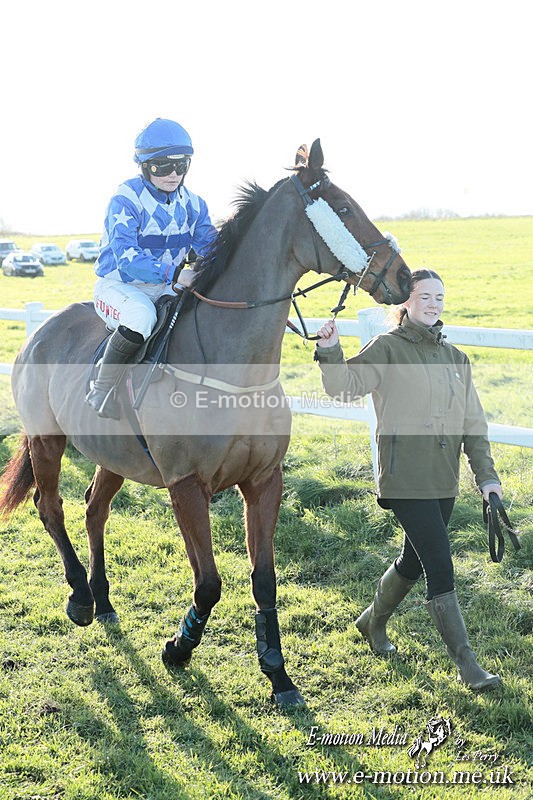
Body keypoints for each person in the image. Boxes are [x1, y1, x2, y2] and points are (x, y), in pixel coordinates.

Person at [314, 269, 503, 691]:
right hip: (403, 477)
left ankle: (372, 622)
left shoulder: (456, 359)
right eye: (425, 296)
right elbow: (344, 387)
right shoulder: (388, 347)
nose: (434, 304)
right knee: (439, 561)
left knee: (413, 560)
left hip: (443, 478)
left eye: (440, 297)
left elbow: (474, 425)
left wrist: (487, 478)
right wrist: (330, 350)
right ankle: (468, 664)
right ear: (406, 302)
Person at [86, 118, 217, 418]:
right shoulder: (125, 200)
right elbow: (128, 259)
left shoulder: (195, 205)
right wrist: (175, 274)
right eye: (162, 166)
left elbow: (211, 248)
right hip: (120, 286)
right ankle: (101, 389)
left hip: (167, 285)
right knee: (142, 316)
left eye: (181, 165)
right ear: (144, 166)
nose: (173, 174)